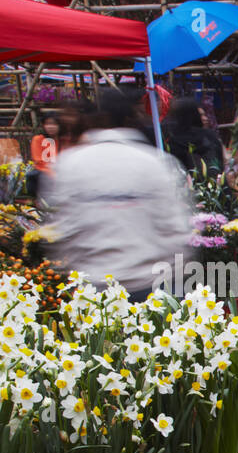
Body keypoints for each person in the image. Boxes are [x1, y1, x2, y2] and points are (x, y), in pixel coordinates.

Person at [43, 89, 192, 302]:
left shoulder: (70, 165)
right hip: (150, 286)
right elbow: (176, 230)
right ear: (131, 120)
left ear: (95, 120)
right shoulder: (155, 163)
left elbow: (63, 231)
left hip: (96, 289)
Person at [164, 96, 224, 175]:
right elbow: (220, 162)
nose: (205, 118)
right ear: (196, 114)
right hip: (215, 182)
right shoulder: (210, 136)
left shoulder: (173, 142)